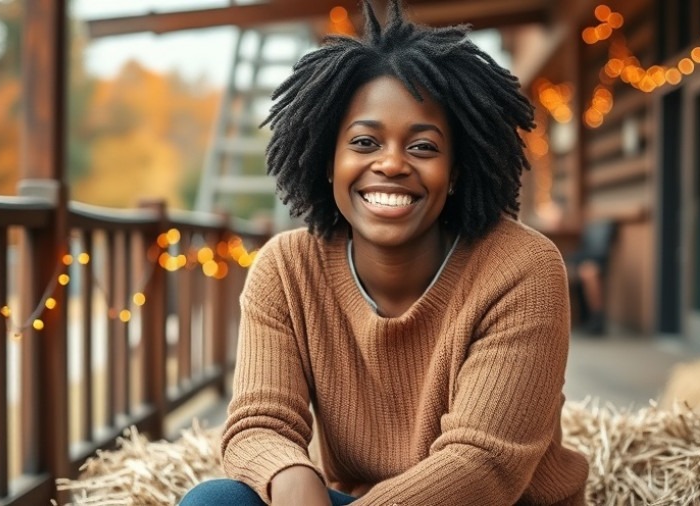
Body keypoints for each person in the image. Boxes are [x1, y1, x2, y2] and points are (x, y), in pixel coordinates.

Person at [180, 1, 589, 504]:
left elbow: (482, 467)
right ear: (328, 161)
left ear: (456, 171)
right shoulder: (287, 269)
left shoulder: (522, 269)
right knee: (216, 501)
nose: (392, 163)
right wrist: (292, 474)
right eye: (365, 142)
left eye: (422, 147)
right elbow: (257, 425)